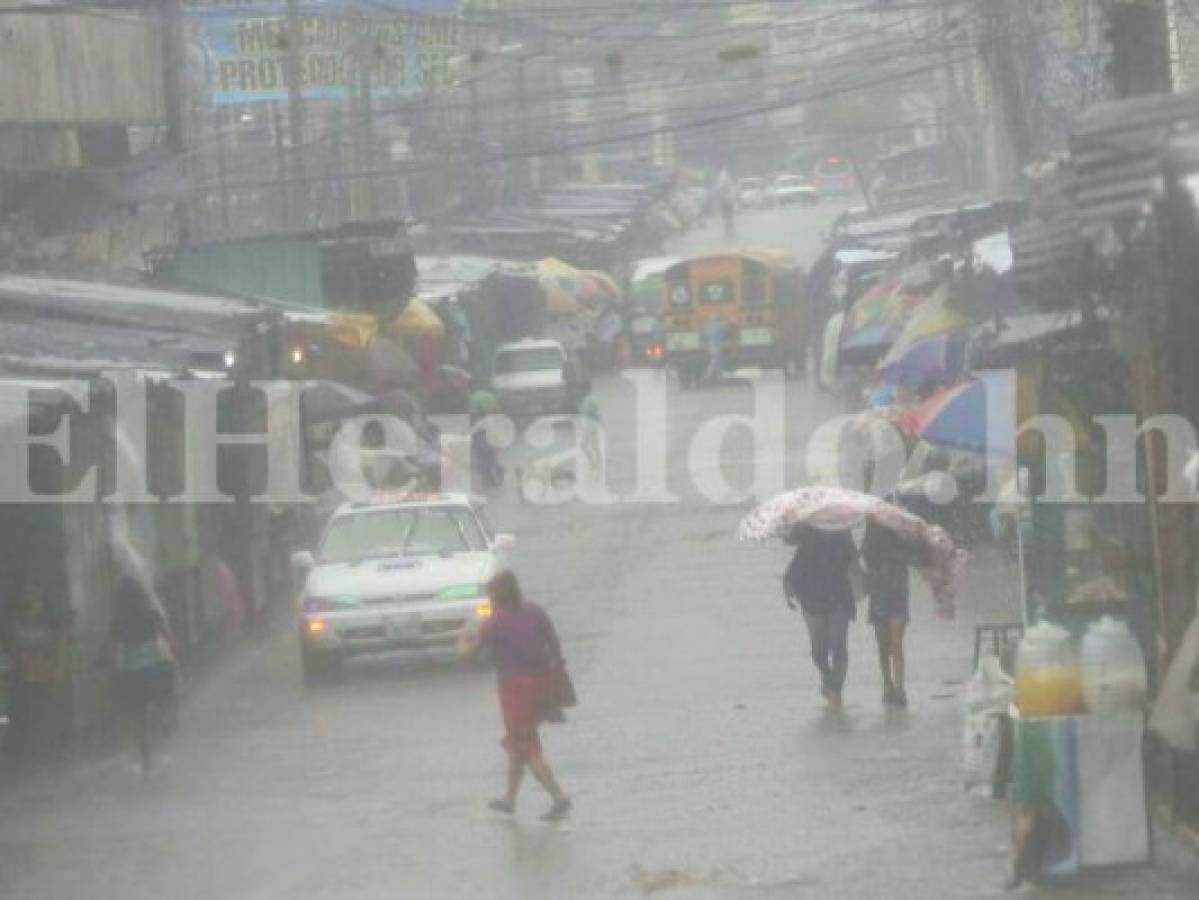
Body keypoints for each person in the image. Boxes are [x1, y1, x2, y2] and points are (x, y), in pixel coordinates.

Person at [458, 571, 572, 821]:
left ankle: (559, 797)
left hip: (514, 690)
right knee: (518, 742)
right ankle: (510, 798)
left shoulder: (495, 623)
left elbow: (470, 653)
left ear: (498, 595)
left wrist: (463, 640)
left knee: (527, 747)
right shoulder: (536, 612)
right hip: (540, 684)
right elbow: (554, 643)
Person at [103, 574, 179, 773]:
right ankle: (164, 716)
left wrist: (104, 666)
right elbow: (170, 639)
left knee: (137, 717)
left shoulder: (118, 621)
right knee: (165, 693)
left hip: (131, 675)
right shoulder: (152, 615)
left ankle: (144, 758)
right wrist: (173, 654)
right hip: (154, 670)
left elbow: (110, 650)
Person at [783, 524, 860, 709]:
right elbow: (790, 541)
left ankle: (836, 691)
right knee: (818, 651)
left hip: (838, 594)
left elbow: (852, 555)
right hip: (810, 595)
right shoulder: (806, 523)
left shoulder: (841, 527)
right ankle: (827, 676)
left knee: (838, 645)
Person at [861, 520, 917, 708]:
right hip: (882, 595)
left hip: (895, 595)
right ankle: (888, 683)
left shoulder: (900, 539)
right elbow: (865, 559)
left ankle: (899, 688)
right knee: (885, 645)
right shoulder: (870, 543)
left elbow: (914, 556)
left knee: (894, 644)